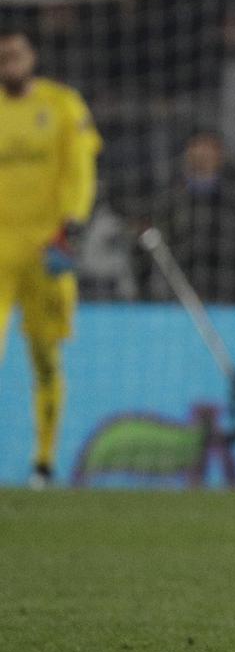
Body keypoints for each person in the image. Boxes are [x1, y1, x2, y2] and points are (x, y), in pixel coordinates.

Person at [0, 25, 102, 489]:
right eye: (3, 57)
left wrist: (73, 223)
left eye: (16, 54)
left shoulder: (62, 105)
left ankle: (43, 462)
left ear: (32, 57)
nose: (9, 63)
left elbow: (81, 168)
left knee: (44, 357)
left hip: (47, 250)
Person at [139, 131, 235, 303]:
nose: (202, 152)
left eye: (209, 146)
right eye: (197, 145)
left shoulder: (233, 202)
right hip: (175, 293)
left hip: (223, 296)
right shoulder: (169, 199)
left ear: (219, 153)